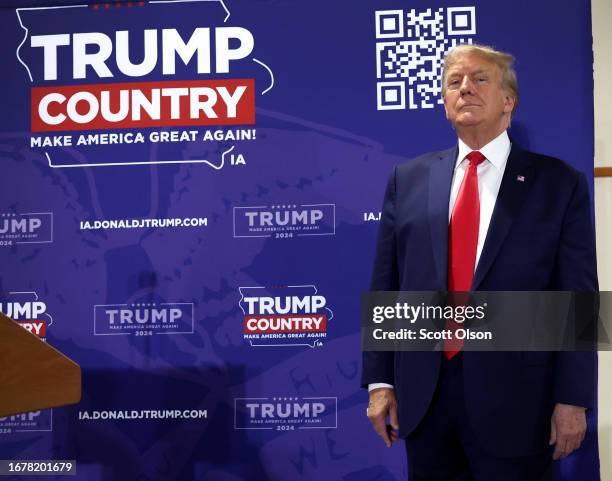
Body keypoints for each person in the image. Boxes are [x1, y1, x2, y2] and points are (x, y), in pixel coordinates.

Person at [362, 44, 598, 481]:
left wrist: (573, 398)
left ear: (508, 100)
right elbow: (387, 284)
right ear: (445, 102)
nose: (465, 89)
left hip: (519, 402)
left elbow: (578, 299)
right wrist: (380, 382)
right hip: (425, 399)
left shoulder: (559, 183)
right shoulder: (408, 179)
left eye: (479, 79)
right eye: (454, 82)